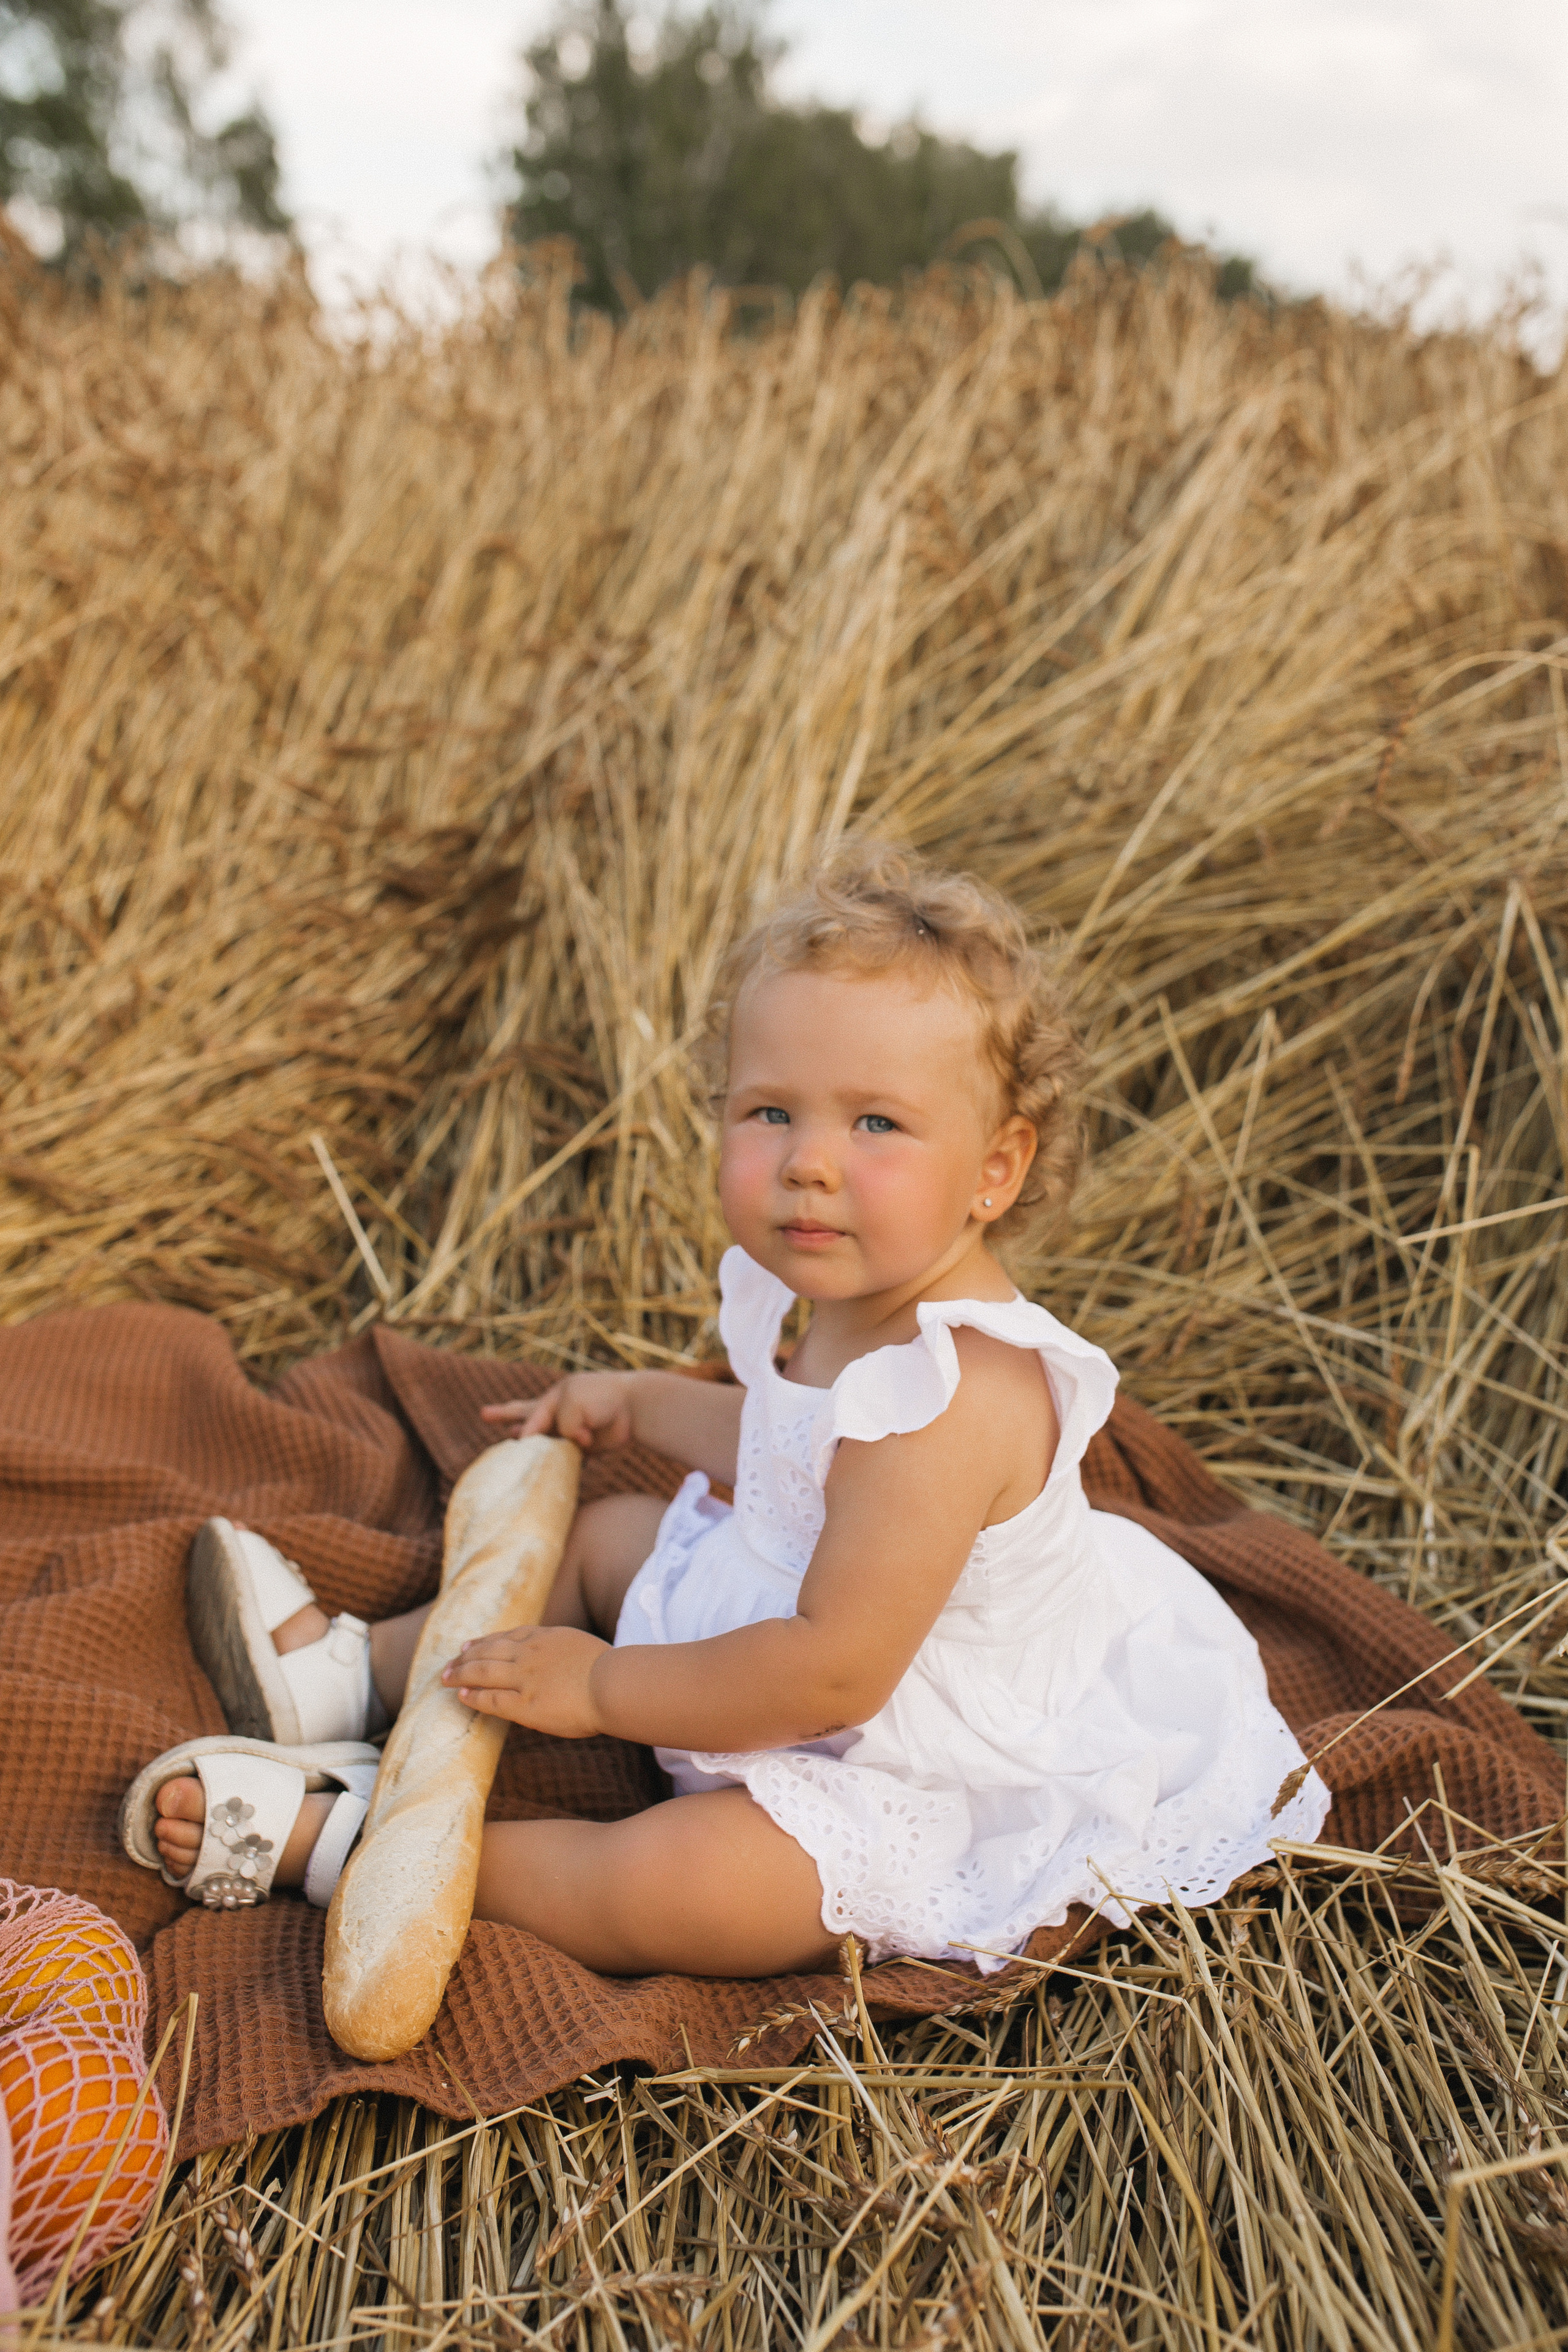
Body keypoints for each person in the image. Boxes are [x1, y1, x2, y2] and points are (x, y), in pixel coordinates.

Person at [129, 845, 1329, 1975]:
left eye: (874, 1123)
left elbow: (829, 1680)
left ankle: (361, 1853)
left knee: (688, 1886)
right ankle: (352, 1682)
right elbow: (792, 1452)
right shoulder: (857, 1283)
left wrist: (599, 1690)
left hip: (906, 1746)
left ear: (995, 1169)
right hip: (790, 1620)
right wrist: (642, 1405)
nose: (810, 1160)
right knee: (604, 1539)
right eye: (769, 1112)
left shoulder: (950, 1399)